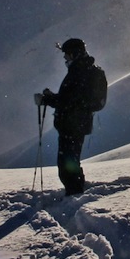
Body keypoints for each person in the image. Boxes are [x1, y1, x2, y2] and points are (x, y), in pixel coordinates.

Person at [36, 38, 98, 195]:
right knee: (71, 160)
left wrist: (47, 99)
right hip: (76, 124)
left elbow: (68, 101)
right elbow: (71, 99)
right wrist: (51, 98)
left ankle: (74, 195)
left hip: (72, 125)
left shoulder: (79, 72)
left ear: (75, 54)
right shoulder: (83, 70)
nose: (65, 59)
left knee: (67, 164)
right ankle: (76, 192)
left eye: (67, 55)